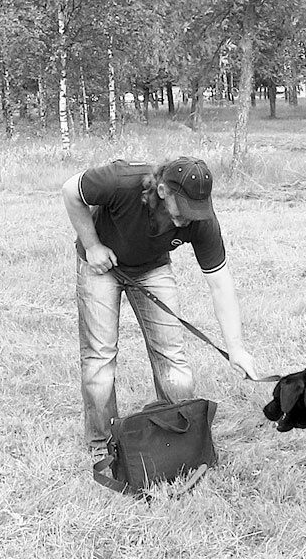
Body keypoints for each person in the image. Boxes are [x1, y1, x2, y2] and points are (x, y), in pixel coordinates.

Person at [62, 156, 258, 453]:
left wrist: (236, 347)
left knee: (172, 357)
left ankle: (179, 438)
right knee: (99, 357)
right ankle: (102, 446)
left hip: (152, 268)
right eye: (185, 209)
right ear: (163, 190)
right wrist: (92, 246)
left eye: (197, 210)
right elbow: (70, 191)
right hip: (100, 265)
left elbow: (220, 284)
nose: (189, 219)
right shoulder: (121, 180)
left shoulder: (201, 220)